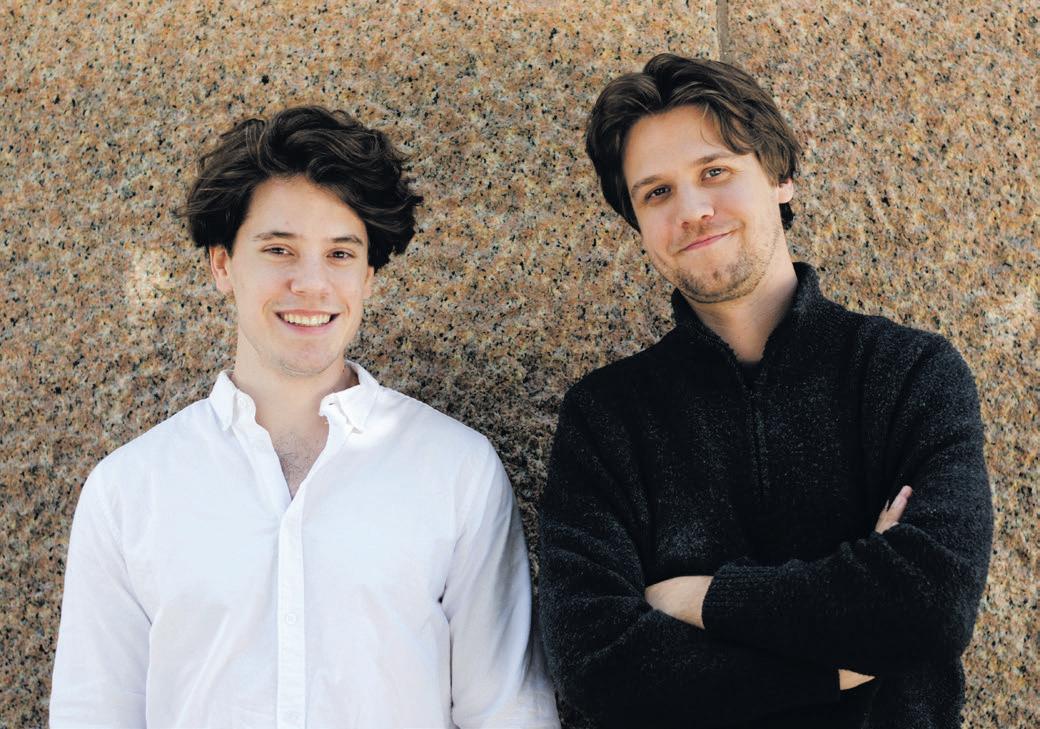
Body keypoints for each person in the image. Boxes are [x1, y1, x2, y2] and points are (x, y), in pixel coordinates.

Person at [50, 106, 560, 729]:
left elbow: (508, 710)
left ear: (369, 275)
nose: (312, 284)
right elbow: (94, 712)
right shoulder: (127, 491)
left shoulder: (457, 470)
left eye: (340, 253)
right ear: (221, 265)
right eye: (279, 249)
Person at [538, 54, 992, 728]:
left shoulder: (909, 373)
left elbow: (930, 605)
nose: (692, 210)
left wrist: (702, 599)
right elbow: (598, 667)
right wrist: (840, 664)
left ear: (780, 177)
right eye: (656, 192)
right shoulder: (605, 418)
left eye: (714, 172)